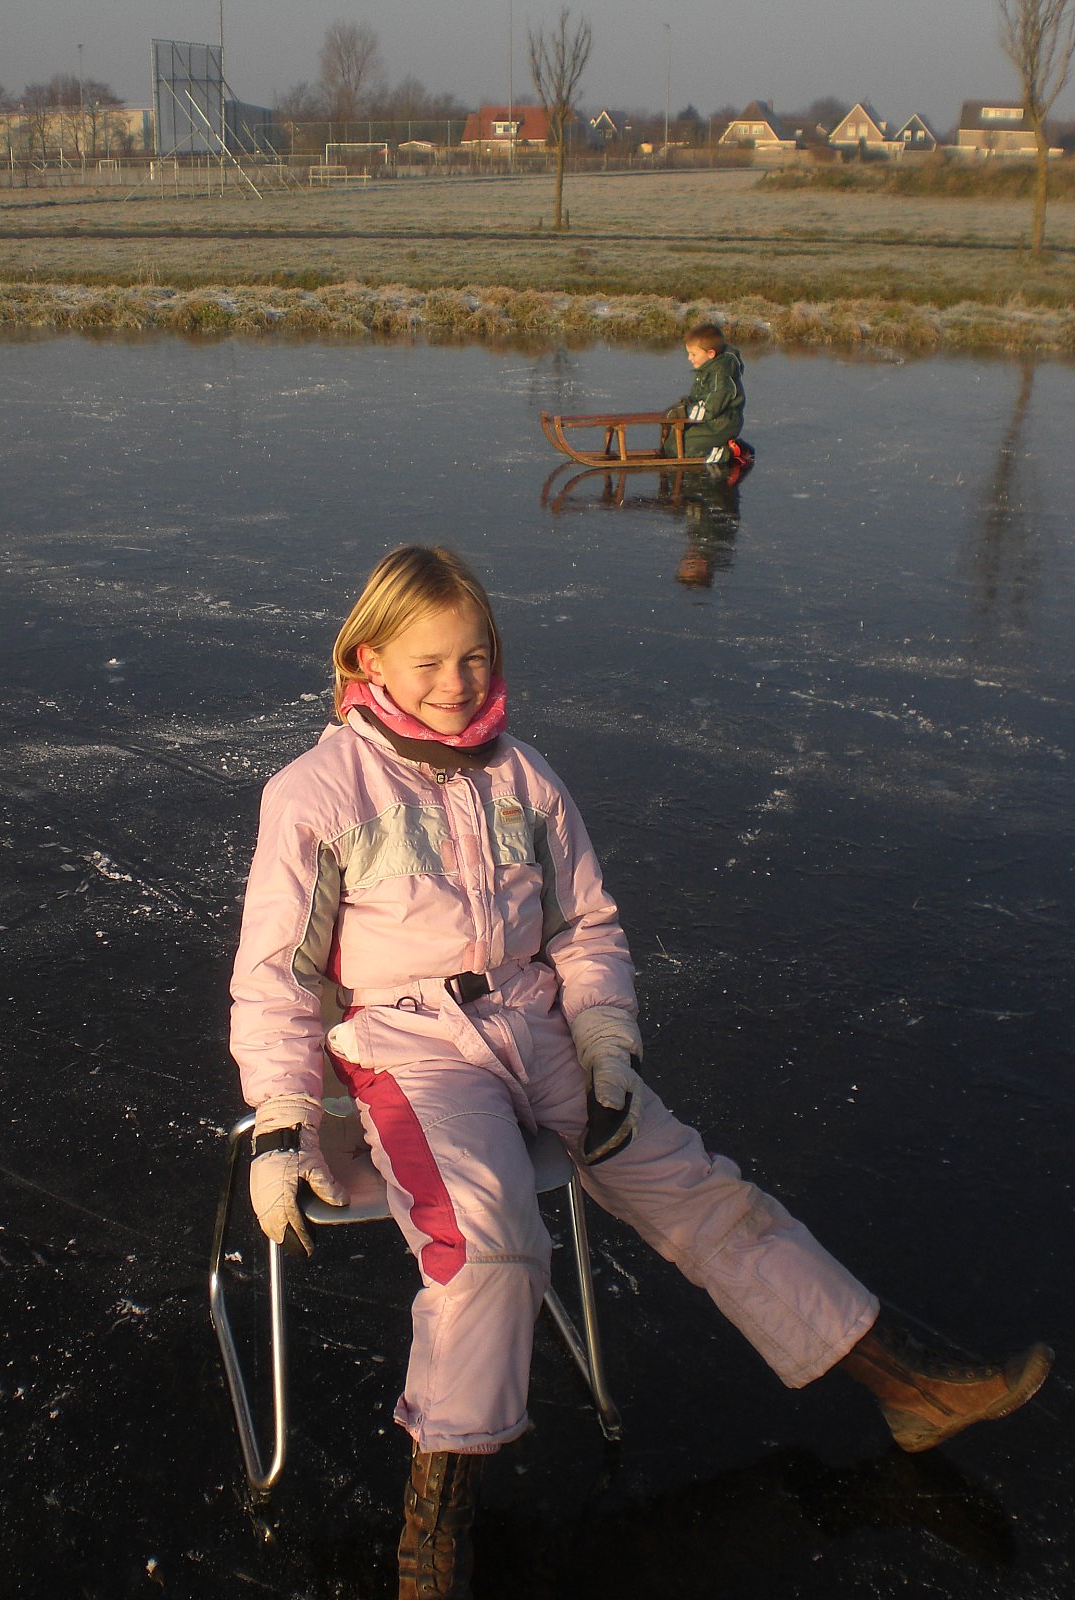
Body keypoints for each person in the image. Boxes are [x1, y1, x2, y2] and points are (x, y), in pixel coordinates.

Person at [230, 545, 1052, 1600]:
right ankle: (434, 1531)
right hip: (411, 1050)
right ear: (368, 659)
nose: (457, 683)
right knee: (490, 1244)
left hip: (536, 1027)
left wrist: (607, 1047)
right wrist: (284, 1118)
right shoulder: (316, 793)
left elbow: (585, 929)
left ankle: (905, 1386)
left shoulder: (525, 776)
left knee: (698, 1188)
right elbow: (278, 974)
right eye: (428, 662)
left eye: (475, 657)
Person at [664, 321, 753, 467]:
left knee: (680, 448)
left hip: (721, 425)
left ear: (711, 353)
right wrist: (685, 404)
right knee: (672, 443)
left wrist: (684, 411)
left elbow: (711, 408)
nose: (689, 358)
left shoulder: (720, 376)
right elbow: (699, 396)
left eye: (693, 354)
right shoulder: (708, 369)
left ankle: (730, 451)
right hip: (710, 422)